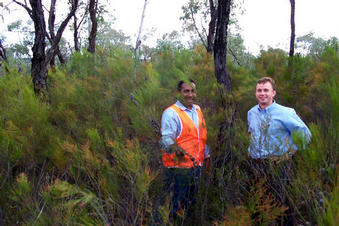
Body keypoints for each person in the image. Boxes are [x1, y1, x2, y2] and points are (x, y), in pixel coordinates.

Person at [247, 76, 311, 224]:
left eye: (266, 90)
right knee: (260, 203)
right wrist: (250, 151)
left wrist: (291, 152)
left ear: (273, 93)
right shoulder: (252, 113)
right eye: (259, 90)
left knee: (282, 204)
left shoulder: (285, 112)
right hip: (256, 165)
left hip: (279, 165)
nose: (262, 93)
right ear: (256, 93)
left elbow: (305, 135)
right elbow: (251, 133)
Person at [151, 79, 210, 225]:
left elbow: (201, 136)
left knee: (189, 207)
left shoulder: (197, 110)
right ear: (179, 93)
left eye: (192, 91)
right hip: (177, 170)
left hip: (196, 167)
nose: (190, 95)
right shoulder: (171, 113)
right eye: (186, 91)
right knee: (169, 207)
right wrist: (176, 150)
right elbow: (165, 141)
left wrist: (206, 156)